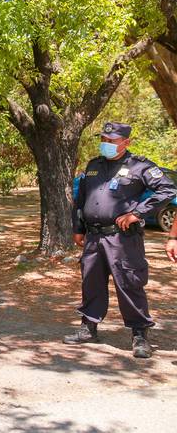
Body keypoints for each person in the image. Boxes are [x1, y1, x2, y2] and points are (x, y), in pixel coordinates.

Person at [65, 122, 177, 358]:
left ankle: (139, 335)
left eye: (112, 140)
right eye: (104, 139)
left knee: (129, 283)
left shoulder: (139, 166)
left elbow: (167, 189)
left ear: (126, 142)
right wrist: (78, 227)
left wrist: (137, 213)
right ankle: (88, 327)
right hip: (94, 237)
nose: (106, 144)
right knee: (91, 282)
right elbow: (82, 197)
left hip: (123, 239)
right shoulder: (94, 165)